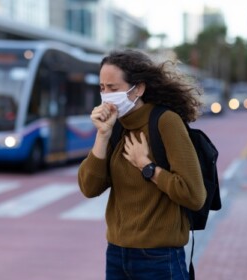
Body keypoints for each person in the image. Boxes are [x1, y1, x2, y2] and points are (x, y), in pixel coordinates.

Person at [77, 49, 207, 280]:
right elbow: (89, 187)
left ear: (138, 89)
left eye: (113, 88)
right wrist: (102, 136)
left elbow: (194, 194)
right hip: (117, 254)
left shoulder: (165, 122)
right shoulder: (116, 126)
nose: (106, 95)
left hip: (159, 258)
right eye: (102, 88)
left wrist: (147, 167)